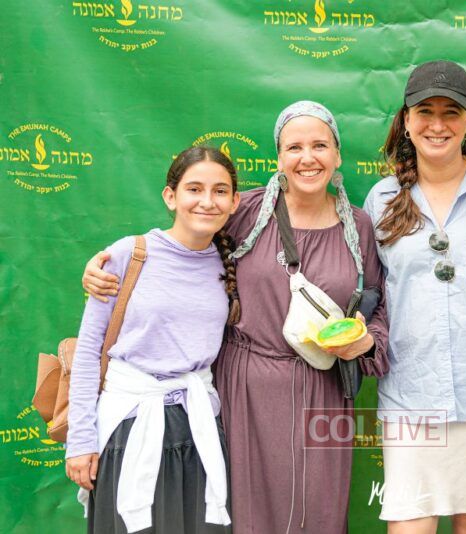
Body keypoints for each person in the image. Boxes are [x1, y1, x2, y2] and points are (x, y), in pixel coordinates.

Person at [81, 101, 389, 534]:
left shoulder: (359, 227)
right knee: (245, 513)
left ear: (337, 155)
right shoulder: (244, 211)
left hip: (324, 390)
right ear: (278, 157)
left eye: (320, 145)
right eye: (294, 147)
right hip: (245, 388)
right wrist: (106, 267)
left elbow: (379, 306)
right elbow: (183, 250)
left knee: (318, 510)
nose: (307, 157)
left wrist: (367, 343)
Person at [363, 60, 466, 534]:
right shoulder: (381, 199)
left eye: (451, 112)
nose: (438, 125)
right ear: (406, 121)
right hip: (412, 394)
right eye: (425, 112)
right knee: (409, 524)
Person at [66, 146, 240, 533]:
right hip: (130, 425)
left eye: (220, 191)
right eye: (194, 188)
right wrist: (80, 441)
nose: (207, 201)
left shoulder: (230, 264)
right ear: (170, 196)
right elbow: (89, 351)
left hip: (198, 428)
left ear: (235, 202)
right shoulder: (130, 254)